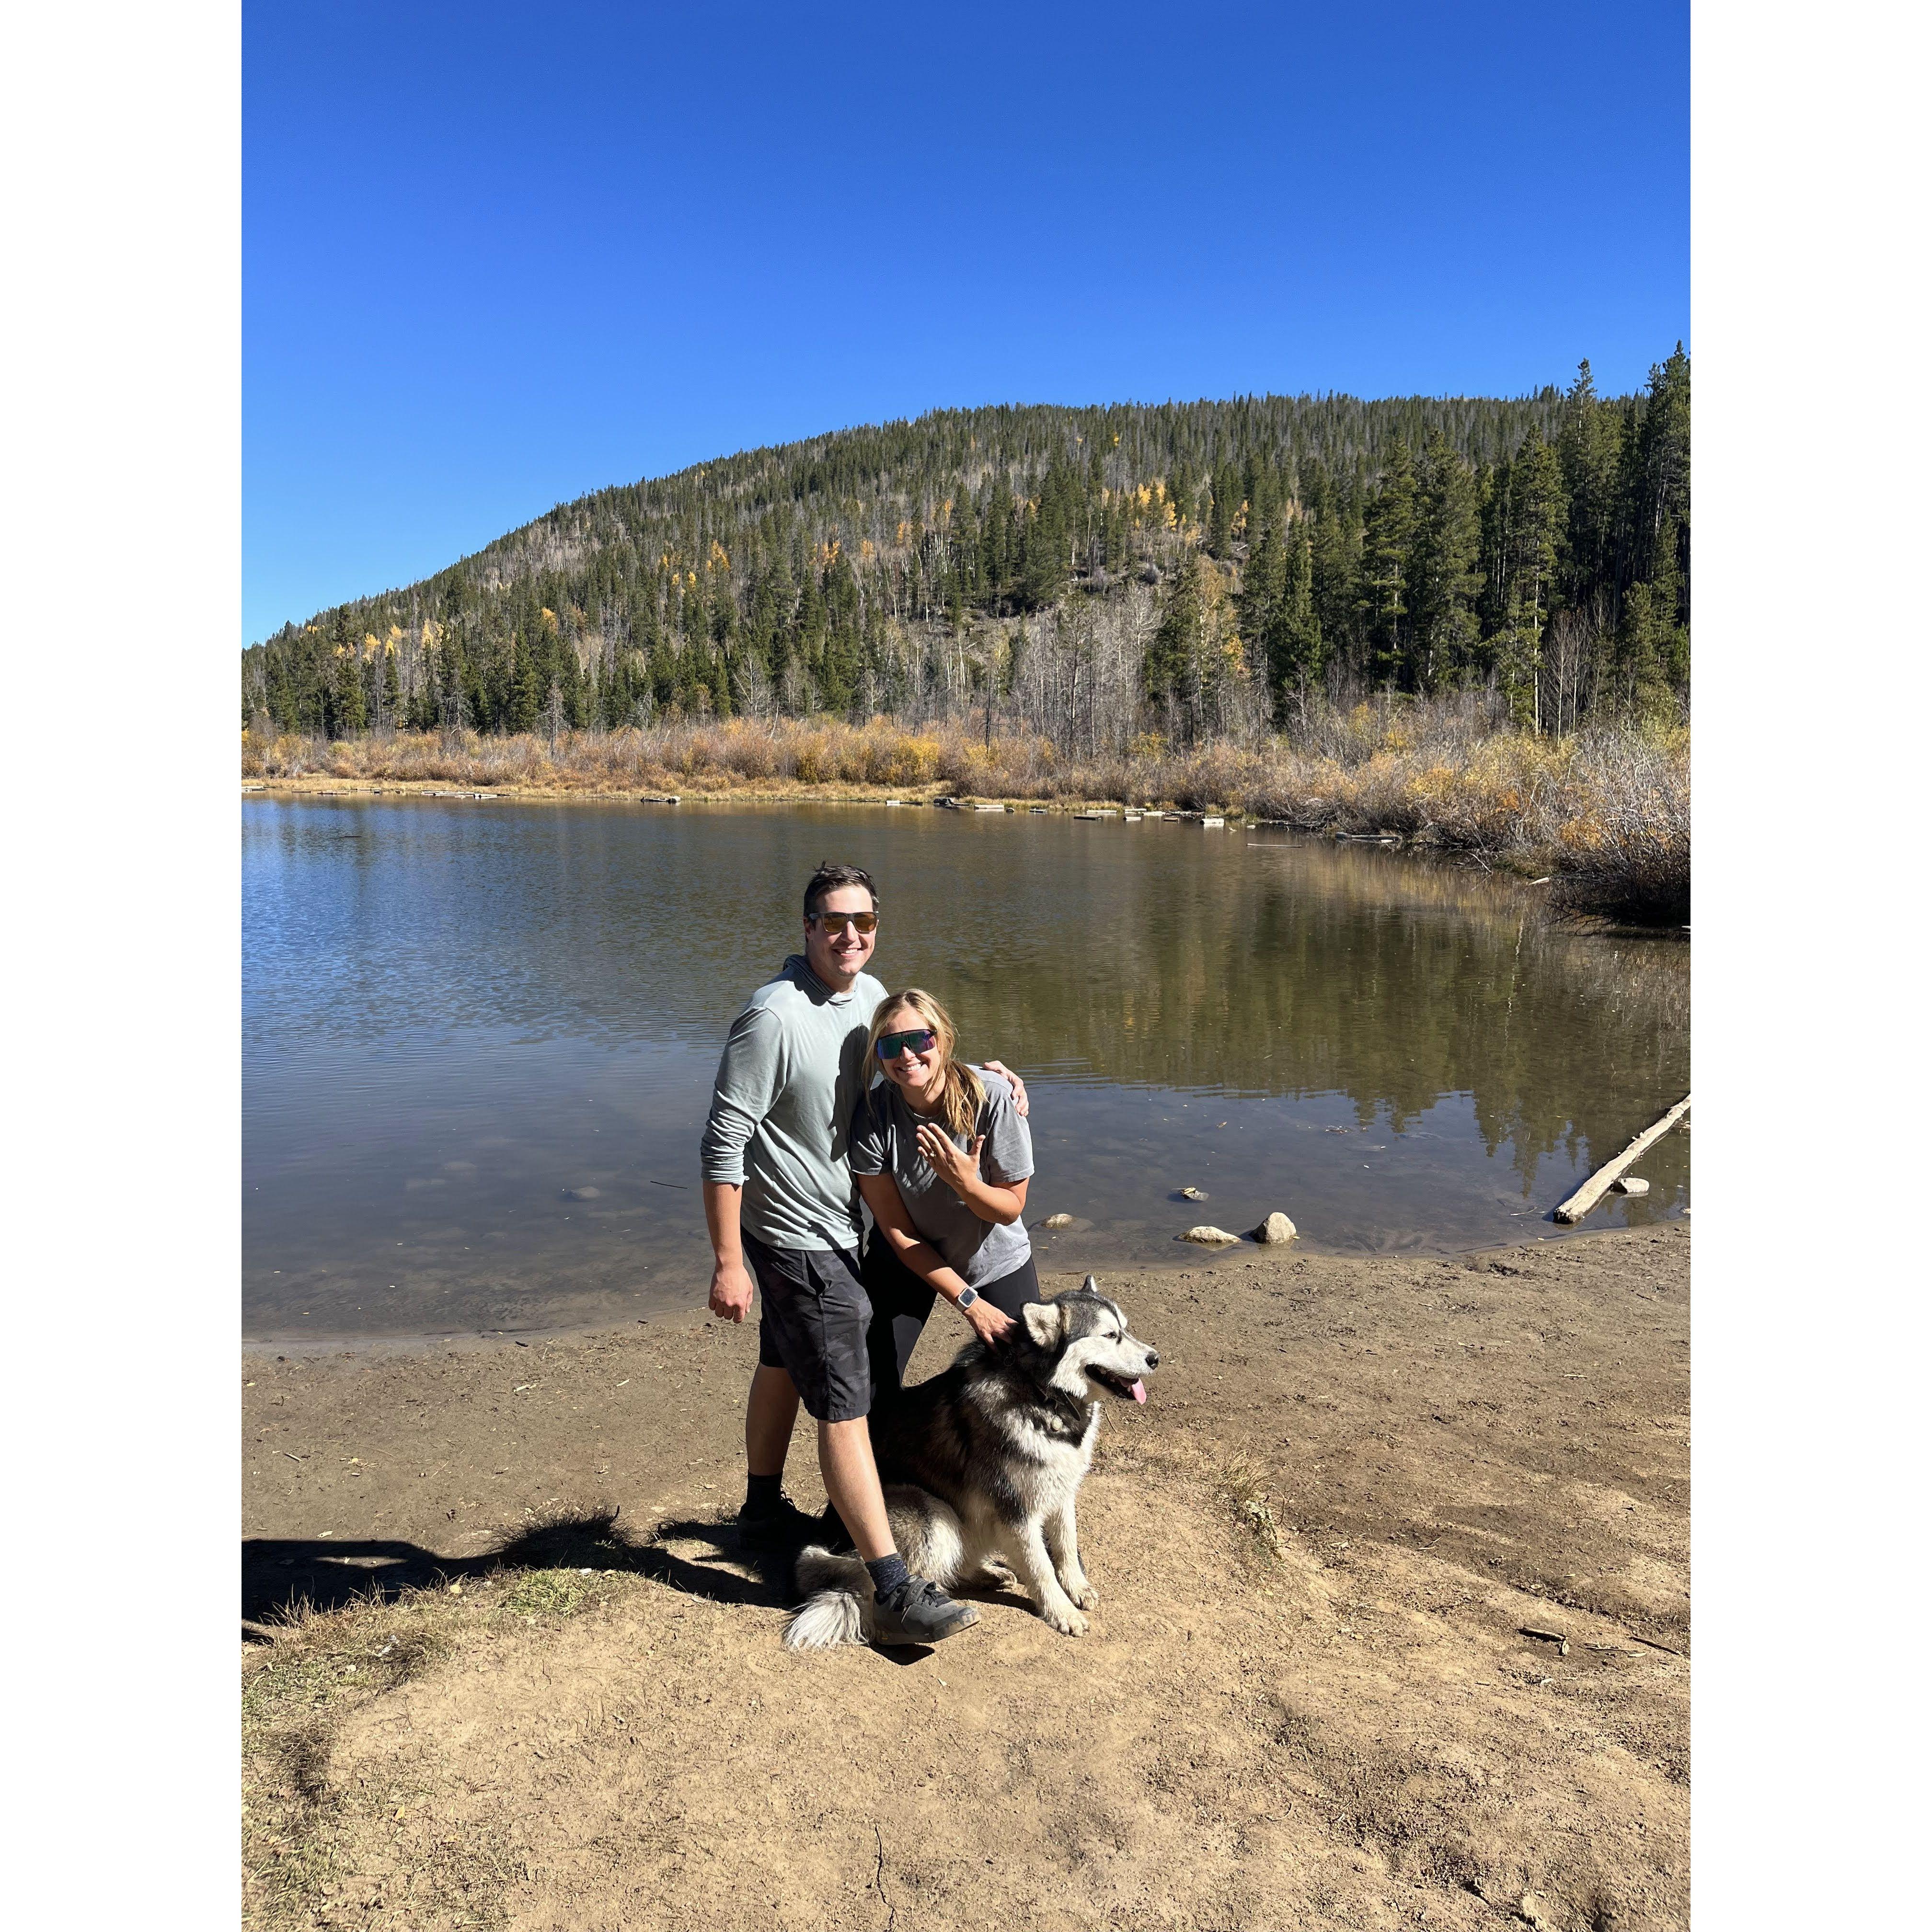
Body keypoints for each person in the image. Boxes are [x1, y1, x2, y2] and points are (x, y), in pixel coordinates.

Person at [699, 862, 1029, 1647]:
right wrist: (726, 1258)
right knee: (850, 1403)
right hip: (800, 1239)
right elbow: (723, 1138)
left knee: (782, 1361)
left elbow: (922, 1056)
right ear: (806, 926)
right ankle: (893, 1581)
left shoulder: (866, 996)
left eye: (863, 922)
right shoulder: (772, 1017)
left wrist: (989, 1081)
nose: (849, 935)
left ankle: (758, 1508)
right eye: (832, 921)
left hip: (845, 1231)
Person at [851, 988, 1042, 1408]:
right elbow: (899, 1232)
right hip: (907, 1257)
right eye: (890, 1045)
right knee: (866, 1389)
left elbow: (1010, 1210)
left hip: (991, 1254)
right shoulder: (872, 1112)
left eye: (919, 1040)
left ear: (942, 1038)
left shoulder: (992, 1096)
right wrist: (969, 1303)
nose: (907, 1056)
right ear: (878, 1056)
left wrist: (966, 1184)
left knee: (1032, 1379)